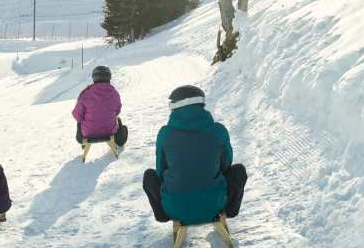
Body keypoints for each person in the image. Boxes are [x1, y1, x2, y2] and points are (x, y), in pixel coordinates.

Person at [143, 85, 247, 224]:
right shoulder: (218, 130)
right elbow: (225, 165)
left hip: (174, 208)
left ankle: (163, 214)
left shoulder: (165, 133)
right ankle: (229, 210)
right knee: (238, 171)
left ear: (175, 107)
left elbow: (161, 170)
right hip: (214, 205)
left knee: (149, 175)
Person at [72, 65, 126, 153]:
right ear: (109, 77)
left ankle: (81, 139)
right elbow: (117, 110)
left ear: (94, 78)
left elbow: (77, 115)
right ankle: (119, 139)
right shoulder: (114, 92)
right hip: (110, 131)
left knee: (79, 121)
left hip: (88, 133)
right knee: (119, 121)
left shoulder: (86, 93)